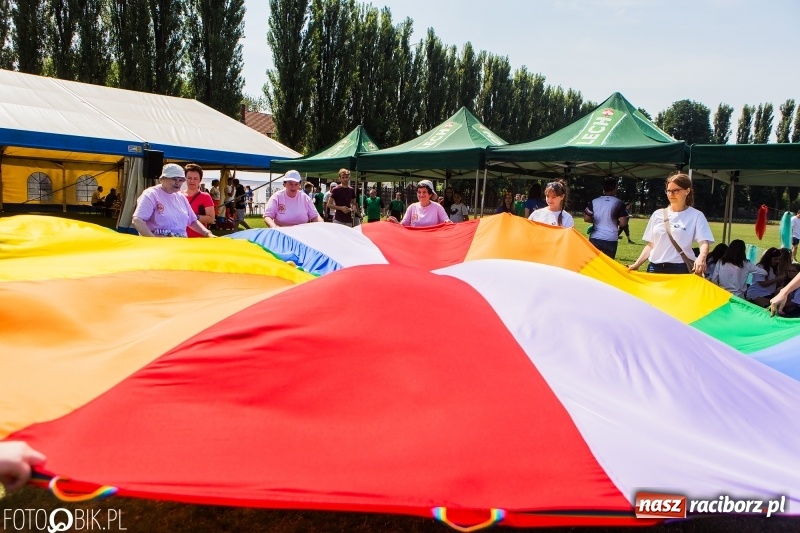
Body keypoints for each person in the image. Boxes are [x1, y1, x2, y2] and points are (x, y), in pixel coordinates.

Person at [628, 173, 712, 275]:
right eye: (668, 191)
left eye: (676, 190)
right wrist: (636, 264)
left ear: (687, 191)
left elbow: (704, 242)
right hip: (654, 268)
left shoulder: (696, 215)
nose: (671, 194)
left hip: (680, 269)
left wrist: (701, 258)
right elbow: (651, 245)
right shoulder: (657, 214)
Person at [132, 163, 215, 238]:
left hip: (180, 247)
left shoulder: (181, 197)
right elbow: (138, 220)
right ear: (162, 179)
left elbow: (193, 221)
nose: (178, 183)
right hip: (159, 248)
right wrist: (153, 240)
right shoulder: (151, 194)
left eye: (181, 180)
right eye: (174, 179)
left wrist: (208, 234)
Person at [584, 177, 628, 259]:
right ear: (615, 188)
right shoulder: (619, 203)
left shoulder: (594, 201)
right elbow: (623, 223)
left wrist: (596, 220)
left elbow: (586, 218)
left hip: (595, 237)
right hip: (610, 238)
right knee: (607, 266)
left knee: (593, 264)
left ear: (603, 189)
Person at [182, 163, 215, 238]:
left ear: (200, 180)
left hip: (198, 239)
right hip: (180, 238)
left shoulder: (205, 196)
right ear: (185, 178)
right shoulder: (178, 195)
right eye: (189, 178)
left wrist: (193, 217)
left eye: (195, 178)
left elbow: (211, 219)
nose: (192, 181)